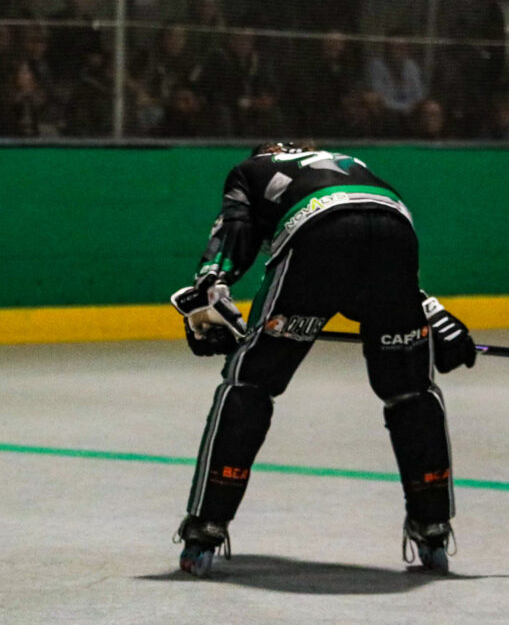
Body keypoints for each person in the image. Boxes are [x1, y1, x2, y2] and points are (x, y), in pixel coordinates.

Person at [169, 142, 476, 577]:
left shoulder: (250, 169)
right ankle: (432, 528)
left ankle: (206, 526)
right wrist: (427, 315)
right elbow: (369, 253)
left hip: (315, 233)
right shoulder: (352, 164)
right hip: (396, 230)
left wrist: (209, 284)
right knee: (410, 390)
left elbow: (234, 231)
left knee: (250, 382)